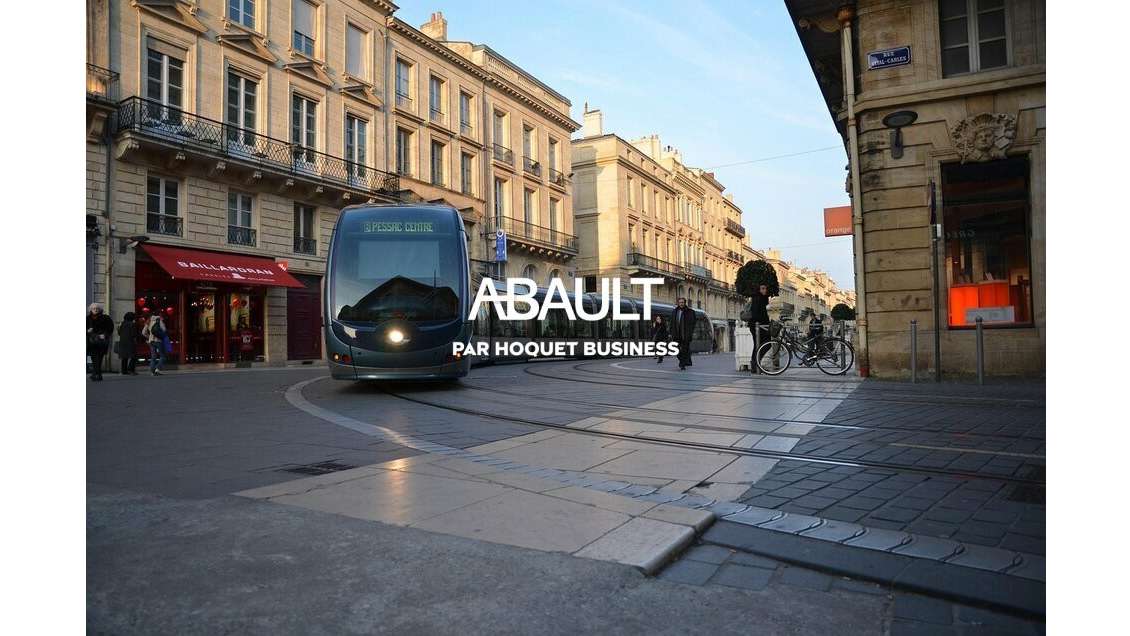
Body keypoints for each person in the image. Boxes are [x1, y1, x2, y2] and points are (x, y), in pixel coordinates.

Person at [745, 283, 775, 374]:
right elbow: (757, 314)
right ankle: (755, 364)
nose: (764, 290)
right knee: (764, 345)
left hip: (759, 325)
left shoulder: (761, 298)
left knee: (758, 345)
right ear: (759, 289)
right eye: (762, 288)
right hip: (757, 326)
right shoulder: (758, 298)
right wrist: (766, 322)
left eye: (765, 288)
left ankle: (755, 364)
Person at [87, 303, 114, 381]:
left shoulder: (106, 318)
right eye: (94, 308)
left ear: (100, 309)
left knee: (99, 358)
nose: (95, 310)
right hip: (91, 341)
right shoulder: (87, 318)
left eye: (97, 308)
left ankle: (96, 374)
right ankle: (97, 374)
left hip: (102, 341)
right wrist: (87, 331)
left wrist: (105, 335)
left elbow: (110, 328)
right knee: (94, 358)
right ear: (91, 309)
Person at [670, 297, 696, 371]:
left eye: (682, 302)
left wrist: (690, 333)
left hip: (685, 335)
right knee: (676, 350)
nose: (681, 304)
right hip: (676, 335)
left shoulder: (690, 312)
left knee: (684, 350)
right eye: (680, 302)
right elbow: (672, 323)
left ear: (685, 303)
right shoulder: (674, 311)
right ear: (678, 303)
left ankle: (682, 364)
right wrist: (671, 333)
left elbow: (693, 324)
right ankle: (683, 361)